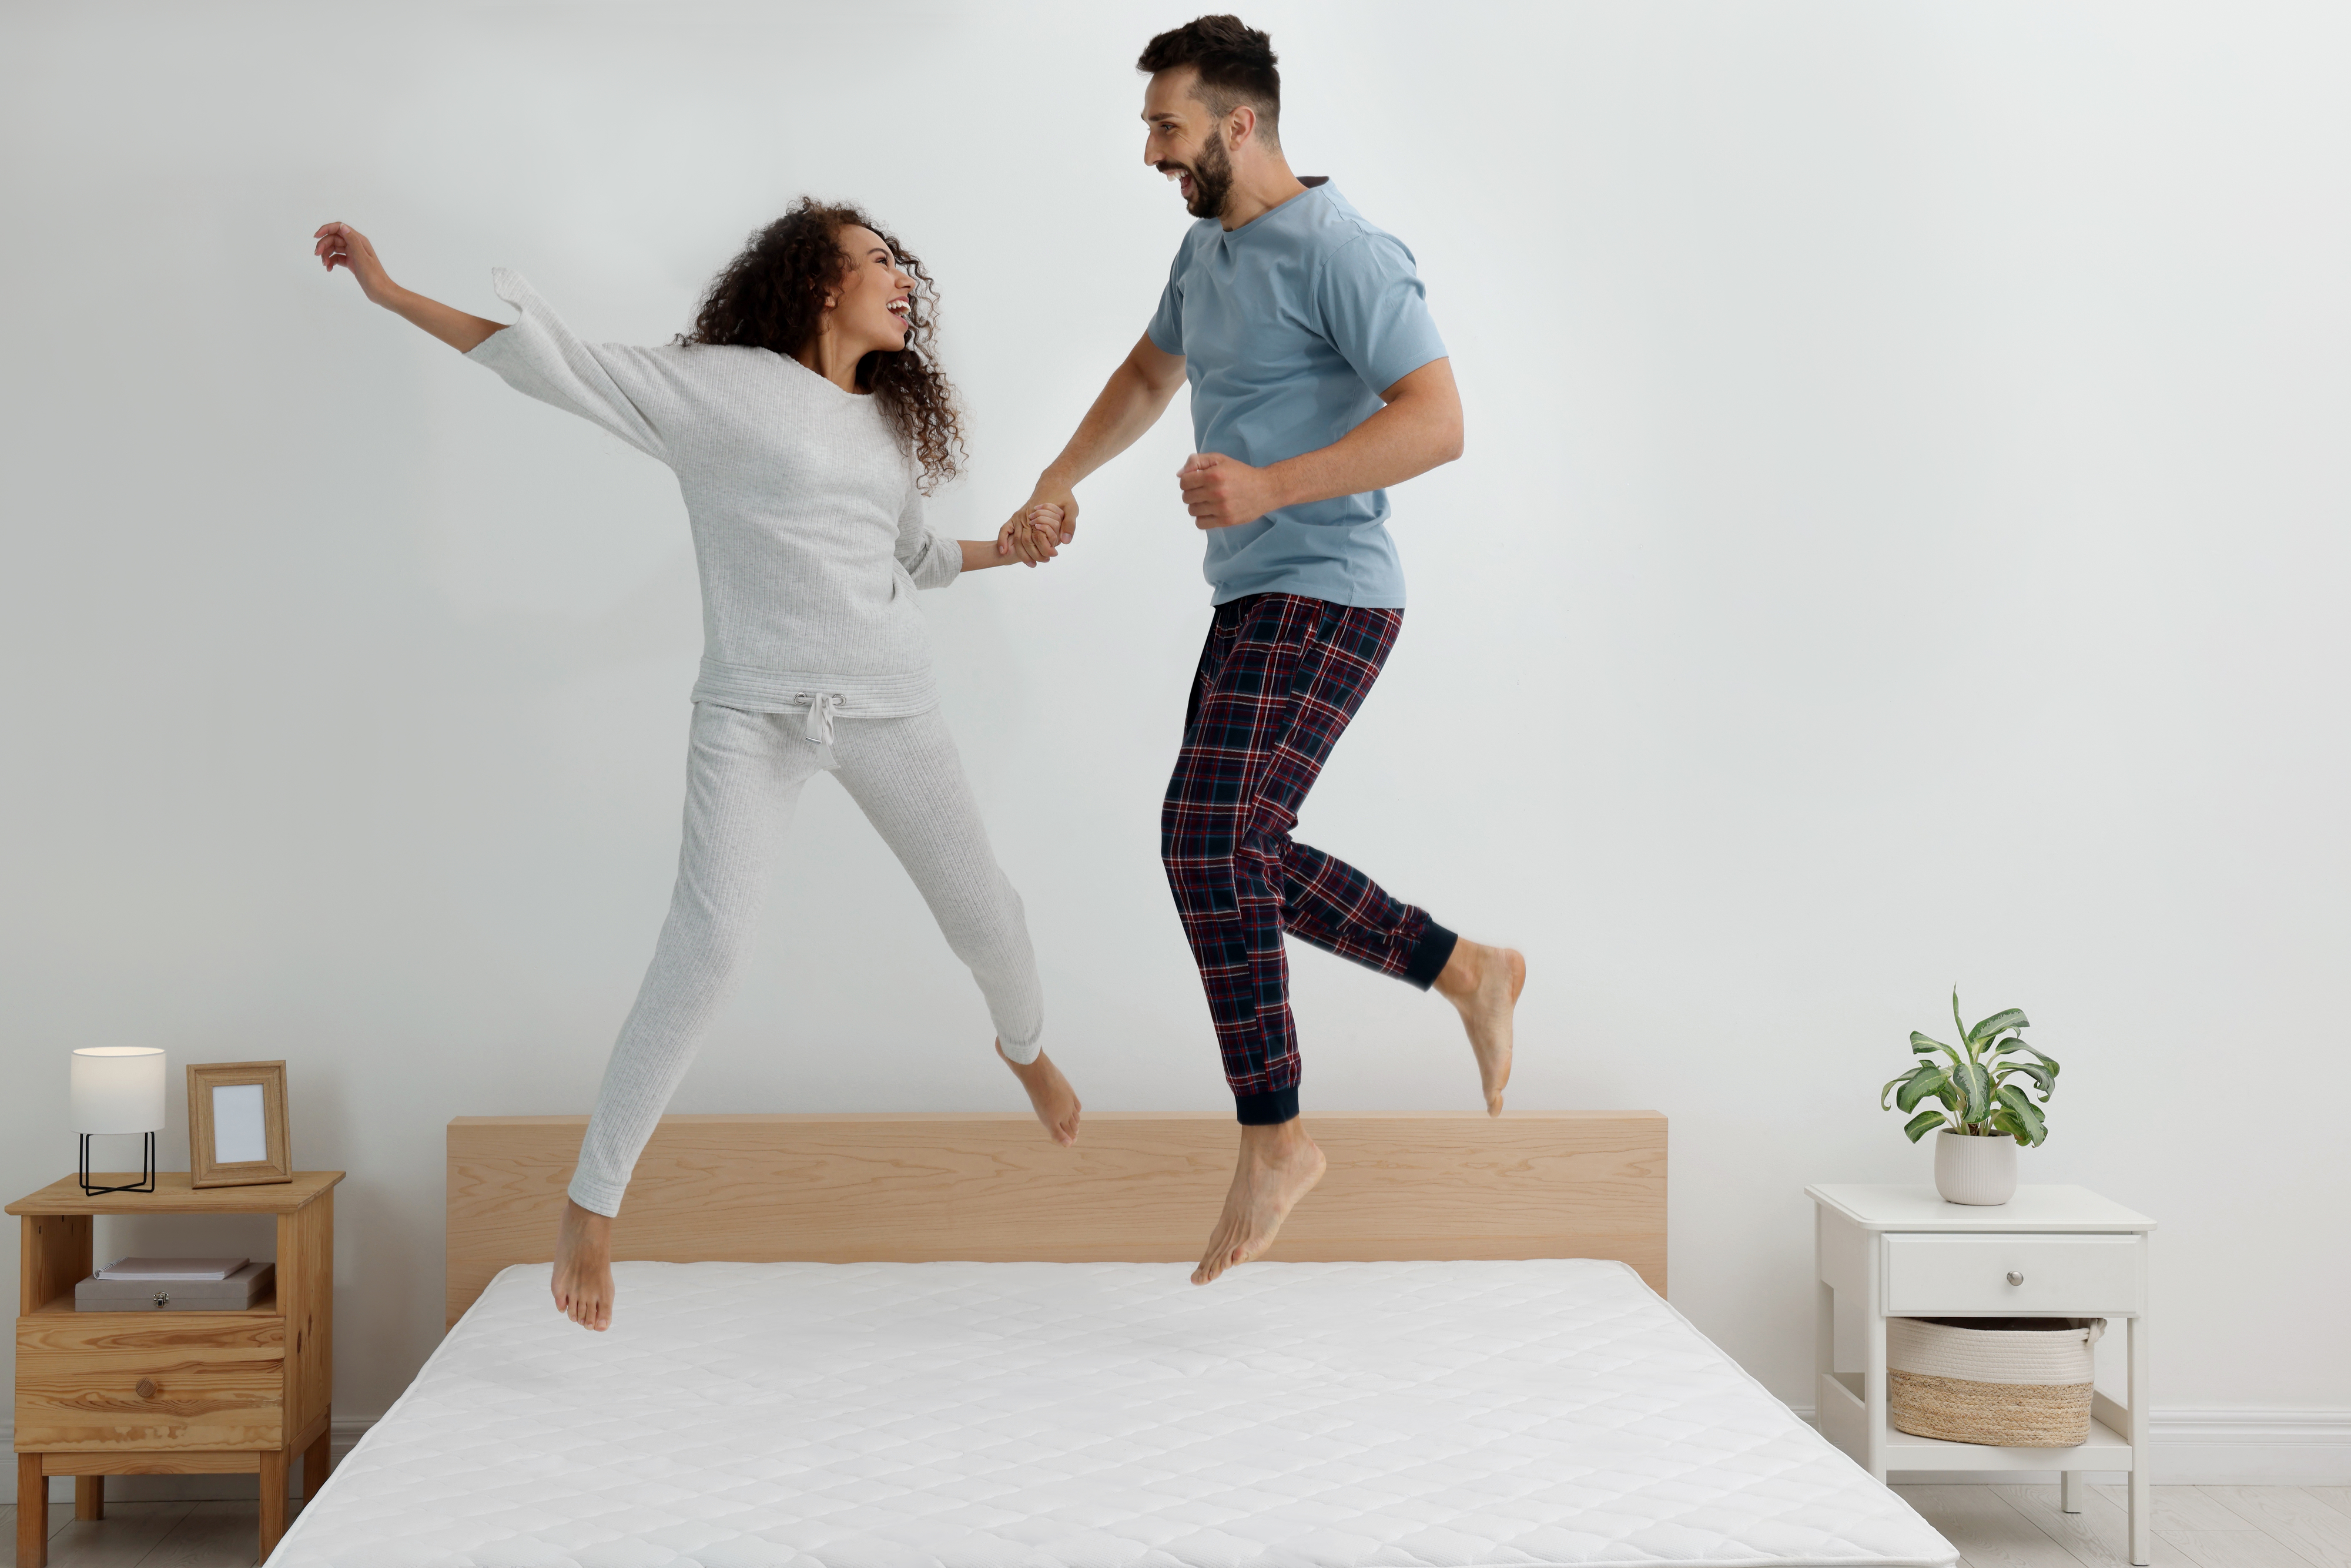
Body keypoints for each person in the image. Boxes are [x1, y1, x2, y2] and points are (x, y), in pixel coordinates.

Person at [314, 202, 1080, 1331]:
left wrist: (1004, 549)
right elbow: (552, 366)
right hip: (752, 713)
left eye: (899, 267)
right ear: (820, 286)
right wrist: (392, 294)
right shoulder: (722, 390)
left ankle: (1023, 1050)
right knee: (709, 944)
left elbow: (914, 558)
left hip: (889, 707)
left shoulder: (882, 426)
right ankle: (594, 1201)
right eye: (877, 265)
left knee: (991, 921)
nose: (901, 282)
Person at [993, 15, 1526, 1286]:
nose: (1149, 152)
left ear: (1240, 125)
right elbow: (1143, 372)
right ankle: (1464, 967)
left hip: (1330, 586)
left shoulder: (1338, 248)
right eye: (1146, 128)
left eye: (1165, 126)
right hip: (1256, 595)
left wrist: (1271, 485)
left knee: (1205, 840)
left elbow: (1440, 421)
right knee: (1229, 846)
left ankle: (1278, 1137)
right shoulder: (1205, 249)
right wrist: (1057, 478)